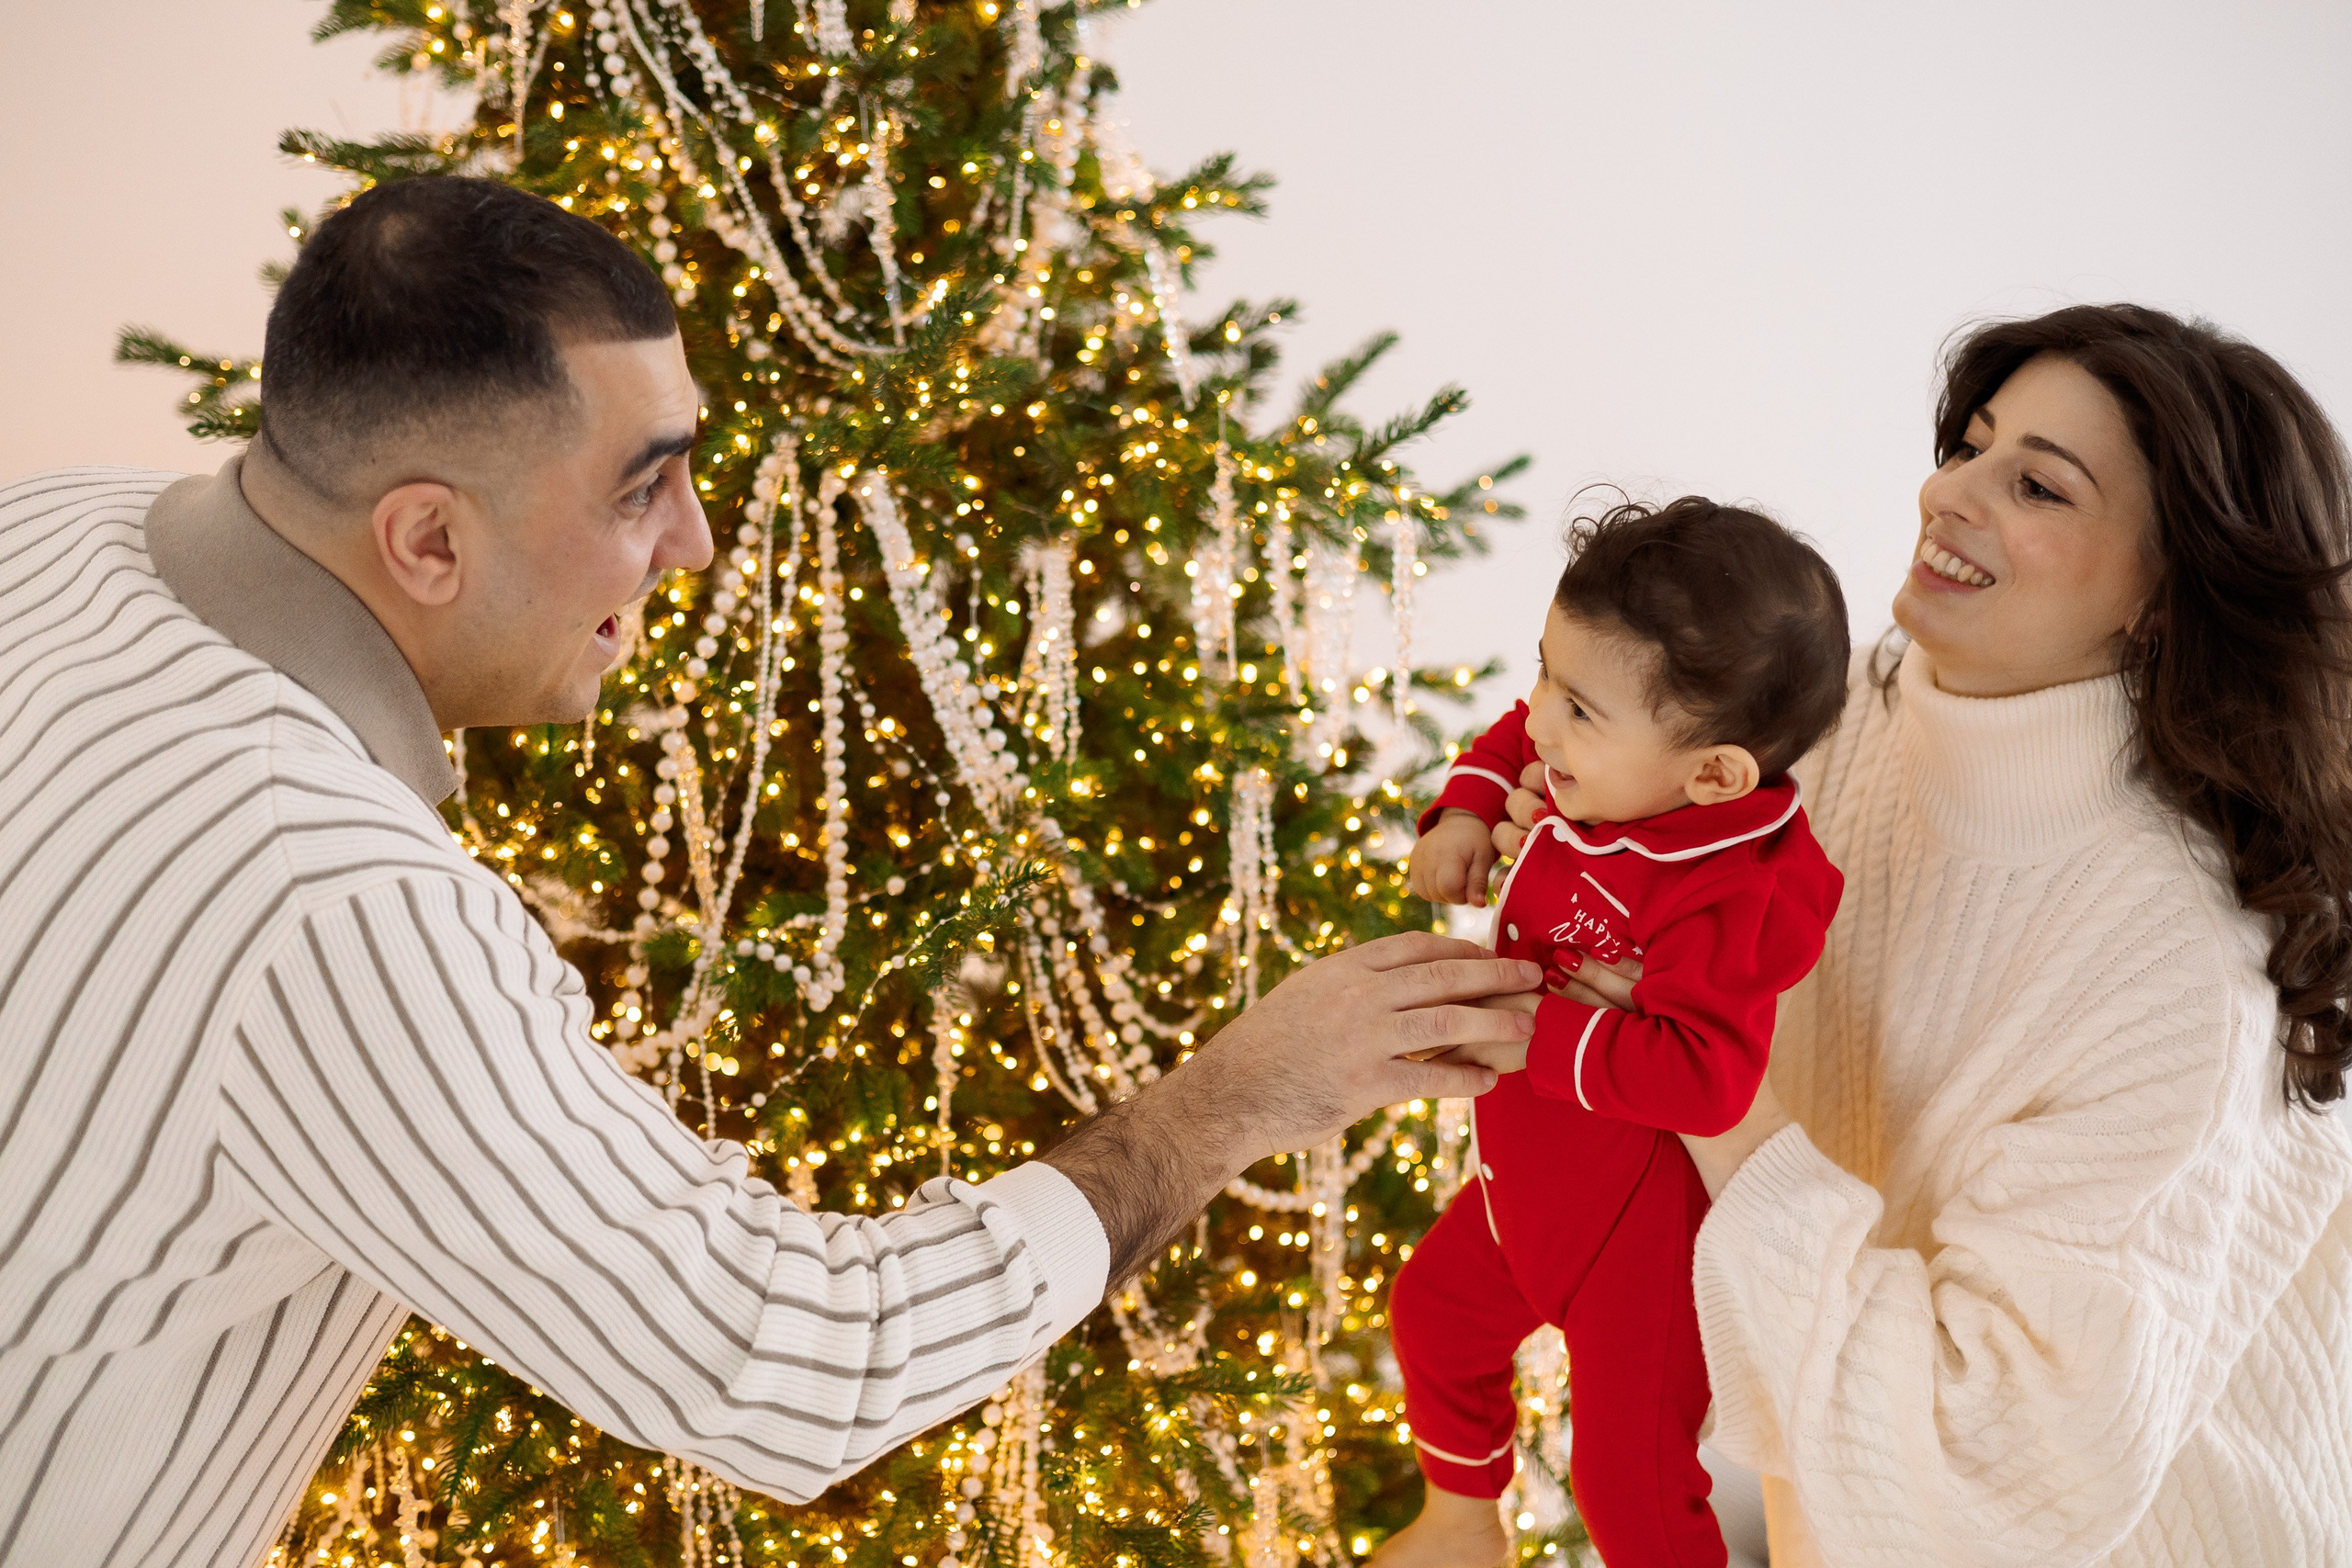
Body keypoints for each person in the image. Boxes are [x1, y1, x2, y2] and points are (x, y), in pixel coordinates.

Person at [0, 175, 1542, 1568]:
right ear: (426, 542)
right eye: (640, 486)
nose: (695, 543)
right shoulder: (338, 908)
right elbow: (800, 1361)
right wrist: (1234, 1100)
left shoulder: (49, 527)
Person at [1486, 305, 2352, 1565]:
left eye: (2038, 485)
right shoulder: (1853, 721)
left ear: (2164, 597)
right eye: (1972, 444)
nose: (1949, 493)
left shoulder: (2178, 971)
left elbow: (1996, 1467)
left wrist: (1717, 1095)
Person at [1381, 498, 1849, 1567]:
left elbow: (1708, 1080)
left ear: (1714, 775)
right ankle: (1460, 1521)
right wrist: (1468, 808)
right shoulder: (1606, 763)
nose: (1542, 722)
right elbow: (1515, 733)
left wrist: (1531, 1034)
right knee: (1432, 1316)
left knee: (1625, 1480)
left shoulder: (1730, 895)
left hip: (1635, 1246)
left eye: (1579, 709)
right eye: (1546, 673)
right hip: (1528, 1188)